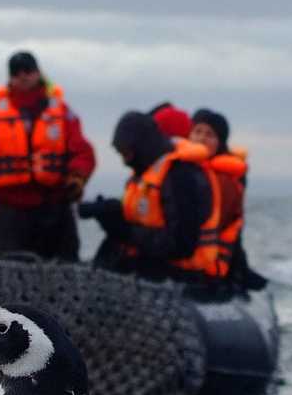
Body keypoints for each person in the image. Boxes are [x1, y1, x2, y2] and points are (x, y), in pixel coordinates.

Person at [0, 51, 96, 261]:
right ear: (10, 78)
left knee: (64, 273)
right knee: (9, 275)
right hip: (12, 212)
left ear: (38, 73)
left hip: (55, 208)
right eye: (16, 72)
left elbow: (82, 151)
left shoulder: (62, 114)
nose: (23, 76)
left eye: (28, 70)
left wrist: (78, 177)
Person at [84, 111, 233, 284]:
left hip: (181, 276)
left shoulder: (180, 175)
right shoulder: (147, 173)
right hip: (152, 266)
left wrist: (125, 231)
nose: (125, 162)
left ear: (141, 147)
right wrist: (111, 212)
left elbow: (181, 244)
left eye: (127, 154)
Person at [188, 108, 265, 289]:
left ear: (220, 142)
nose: (201, 138)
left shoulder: (225, 179)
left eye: (210, 134)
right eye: (197, 131)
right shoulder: (183, 170)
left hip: (212, 265)